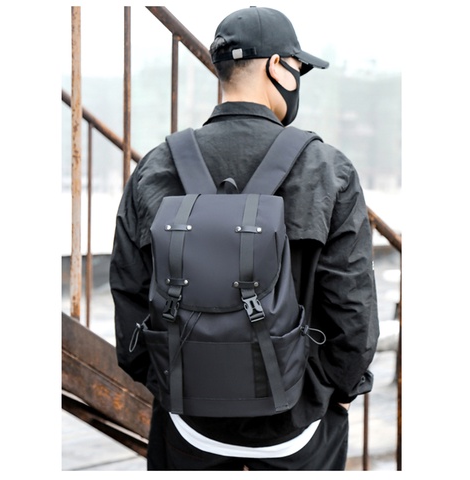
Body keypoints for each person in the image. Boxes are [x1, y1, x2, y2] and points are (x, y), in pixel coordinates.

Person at [110, 6, 379, 471]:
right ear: (277, 66)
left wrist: (169, 383)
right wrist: (333, 391)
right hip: (299, 425)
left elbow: (129, 296)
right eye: (299, 68)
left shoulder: (157, 165)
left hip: (188, 422)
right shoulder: (327, 168)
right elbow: (352, 308)